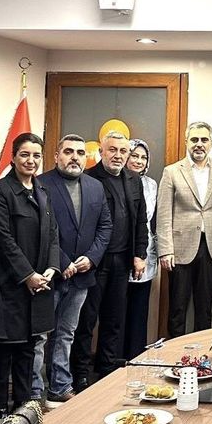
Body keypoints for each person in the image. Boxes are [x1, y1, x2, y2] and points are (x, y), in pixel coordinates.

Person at [0, 132, 60, 419]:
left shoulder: (42, 190)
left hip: (41, 284)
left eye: (36, 155)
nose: (31, 160)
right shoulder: (0, 191)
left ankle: (23, 407)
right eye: (25, 154)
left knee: (29, 348)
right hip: (11, 285)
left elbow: (53, 234)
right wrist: (28, 275)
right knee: (5, 348)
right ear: (14, 157)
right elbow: (3, 239)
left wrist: (51, 268)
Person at [36, 135, 111, 405]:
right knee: (41, 336)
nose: (75, 157)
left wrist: (91, 258)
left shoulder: (95, 186)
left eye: (80, 152)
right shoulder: (41, 184)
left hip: (82, 275)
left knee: (66, 333)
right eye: (68, 151)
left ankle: (60, 386)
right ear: (57, 155)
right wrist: (62, 261)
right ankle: (35, 392)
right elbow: (42, 229)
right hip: (50, 273)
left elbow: (105, 226)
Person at [77, 131, 149, 383]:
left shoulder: (134, 180)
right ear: (101, 152)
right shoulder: (87, 178)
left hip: (122, 260)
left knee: (114, 319)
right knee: (87, 320)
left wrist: (140, 254)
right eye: (113, 150)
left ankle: (106, 370)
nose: (118, 155)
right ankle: (80, 375)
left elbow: (140, 221)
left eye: (123, 151)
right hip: (94, 261)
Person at [156, 122, 212, 336]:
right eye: (194, 140)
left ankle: (202, 352)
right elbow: (163, 213)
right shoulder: (171, 171)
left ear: (211, 143)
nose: (199, 144)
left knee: (204, 308)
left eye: (204, 140)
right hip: (179, 249)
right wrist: (165, 250)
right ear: (186, 142)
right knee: (177, 309)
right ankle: (174, 352)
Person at [123, 139, 158, 357]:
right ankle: (116, 360)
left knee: (139, 308)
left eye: (143, 157)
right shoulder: (118, 180)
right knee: (118, 310)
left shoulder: (152, 184)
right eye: (134, 155)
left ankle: (136, 356)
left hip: (145, 252)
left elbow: (152, 220)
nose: (138, 161)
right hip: (121, 252)